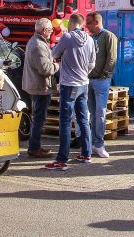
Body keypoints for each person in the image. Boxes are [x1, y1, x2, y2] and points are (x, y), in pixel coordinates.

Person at [46, 13, 96, 170]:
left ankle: (62, 159)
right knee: (82, 119)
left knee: (65, 121)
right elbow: (92, 63)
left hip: (68, 84)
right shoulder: (90, 39)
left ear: (71, 24)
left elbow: (53, 54)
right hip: (83, 83)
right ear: (82, 24)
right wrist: (83, 73)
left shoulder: (67, 37)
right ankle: (86, 153)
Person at [23, 18, 60, 158]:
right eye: (50, 30)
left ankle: (35, 145)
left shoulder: (36, 41)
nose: (51, 33)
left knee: (38, 118)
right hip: (40, 87)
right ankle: (34, 148)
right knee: (39, 119)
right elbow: (46, 69)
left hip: (38, 86)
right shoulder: (38, 45)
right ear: (44, 31)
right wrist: (58, 65)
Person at [85, 12, 118, 159]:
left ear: (97, 22)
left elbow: (112, 57)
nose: (87, 26)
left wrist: (104, 74)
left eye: (89, 23)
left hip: (101, 81)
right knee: (92, 114)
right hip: (89, 80)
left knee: (100, 113)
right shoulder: (91, 37)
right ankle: (92, 143)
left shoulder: (108, 36)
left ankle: (99, 144)